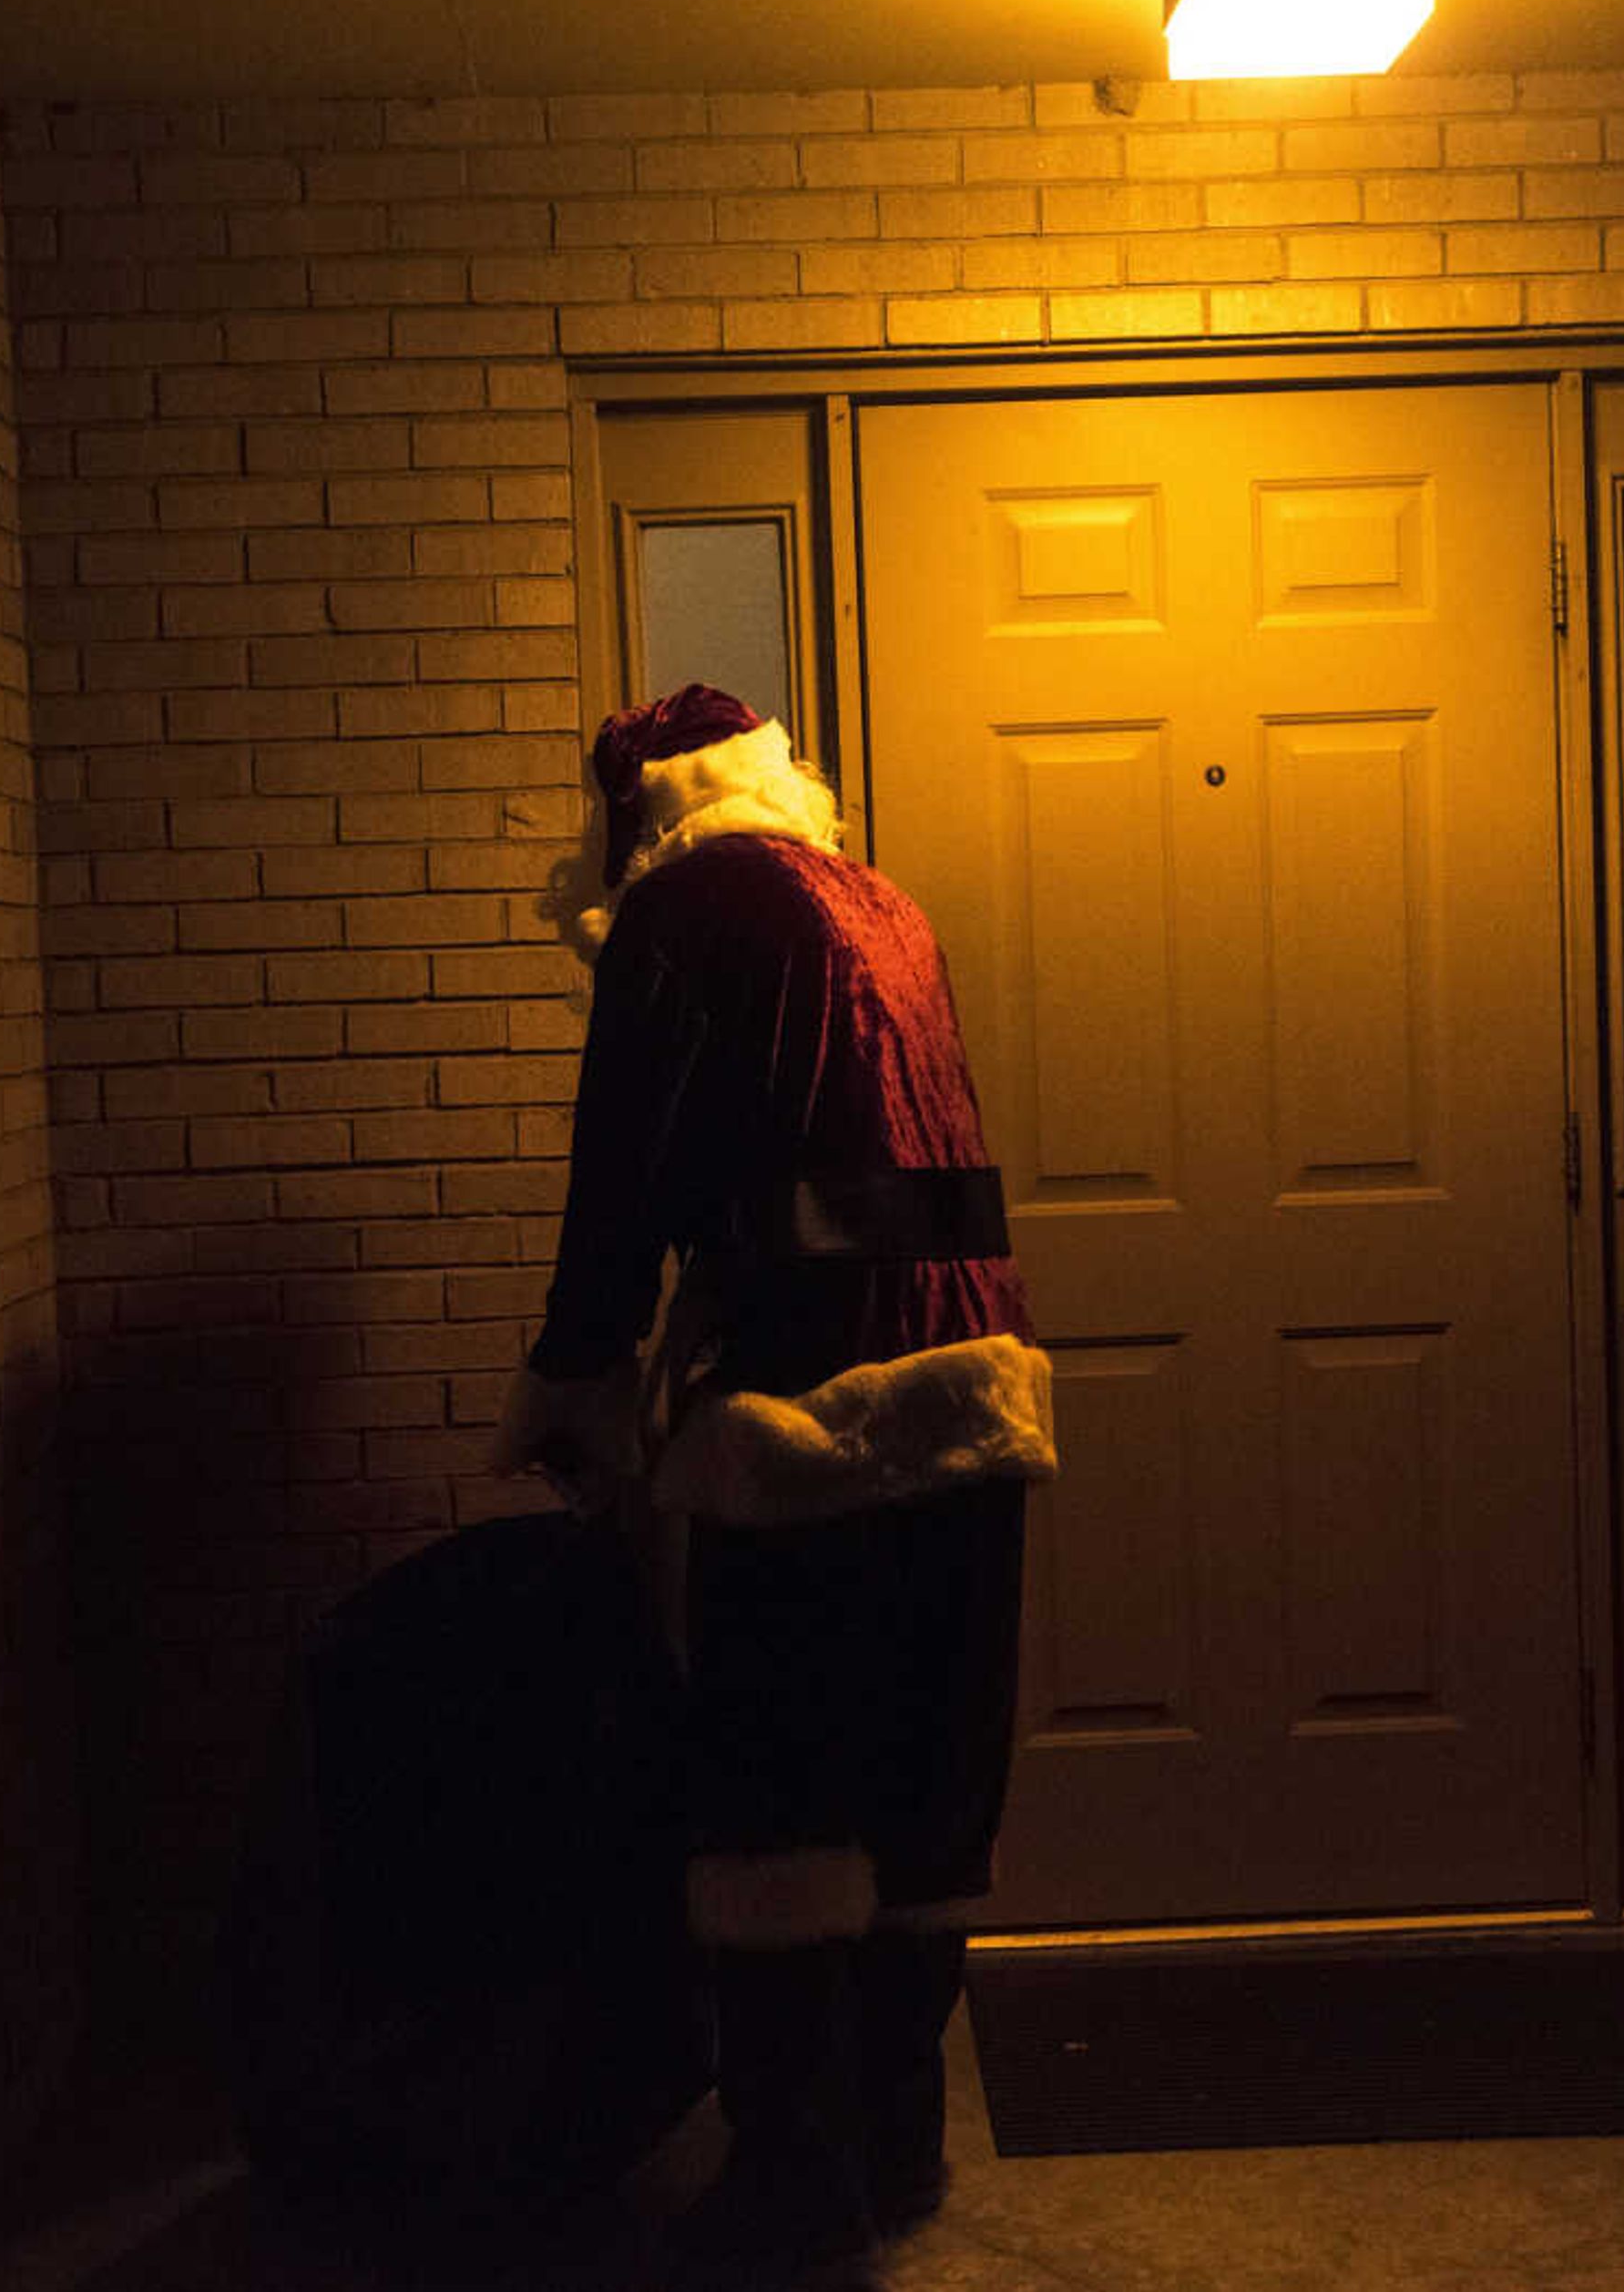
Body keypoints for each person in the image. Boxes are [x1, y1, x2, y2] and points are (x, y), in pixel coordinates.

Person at [493, 681, 1055, 2287]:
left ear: (639, 815)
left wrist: (577, 1386)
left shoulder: (682, 910)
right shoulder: (882, 901)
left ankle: (791, 2178)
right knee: (924, 1783)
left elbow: (621, 1181)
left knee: (773, 1789)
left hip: (799, 1415)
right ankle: (899, 2140)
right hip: (975, 1392)